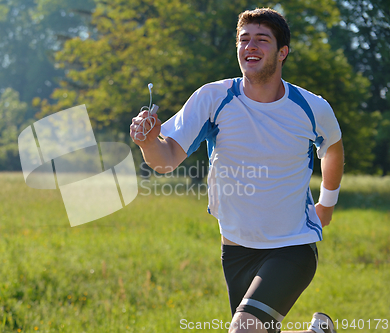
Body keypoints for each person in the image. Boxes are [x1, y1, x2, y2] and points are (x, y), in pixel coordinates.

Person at [129, 7, 344, 333]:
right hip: (235, 250)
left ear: (282, 52)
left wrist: (327, 203)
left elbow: (332, 147)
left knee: (243, 330)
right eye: (244, 40)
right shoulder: (213, 98)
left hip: (292, 247)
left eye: (262, 40)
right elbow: (166, 160)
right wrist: (147, 142)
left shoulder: (311, 107)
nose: (250, 47)